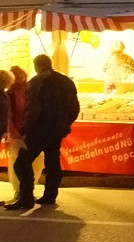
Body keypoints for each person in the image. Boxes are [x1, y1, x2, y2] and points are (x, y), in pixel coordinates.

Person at [5, 55, 81, 211]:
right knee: (53, 160)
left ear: (36, 65)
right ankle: (50, 195)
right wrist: (65, 123)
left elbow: (33, 109)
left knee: (22, 162)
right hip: (57, 129)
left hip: (40, 129)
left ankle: (26, 197)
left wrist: (25, 129)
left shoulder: (36, 82)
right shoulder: (66, 81)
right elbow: (75, 107)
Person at [4, 67, 44, 206]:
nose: (19, 76)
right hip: (17, 132)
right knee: (17, 162)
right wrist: (13, 132)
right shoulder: (9, 94)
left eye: (21, 73)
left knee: (35, 162)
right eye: (16, 74)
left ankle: (26, 192)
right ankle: (20, 192)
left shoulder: (31, 89)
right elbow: (9, 115)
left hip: (32, 131)